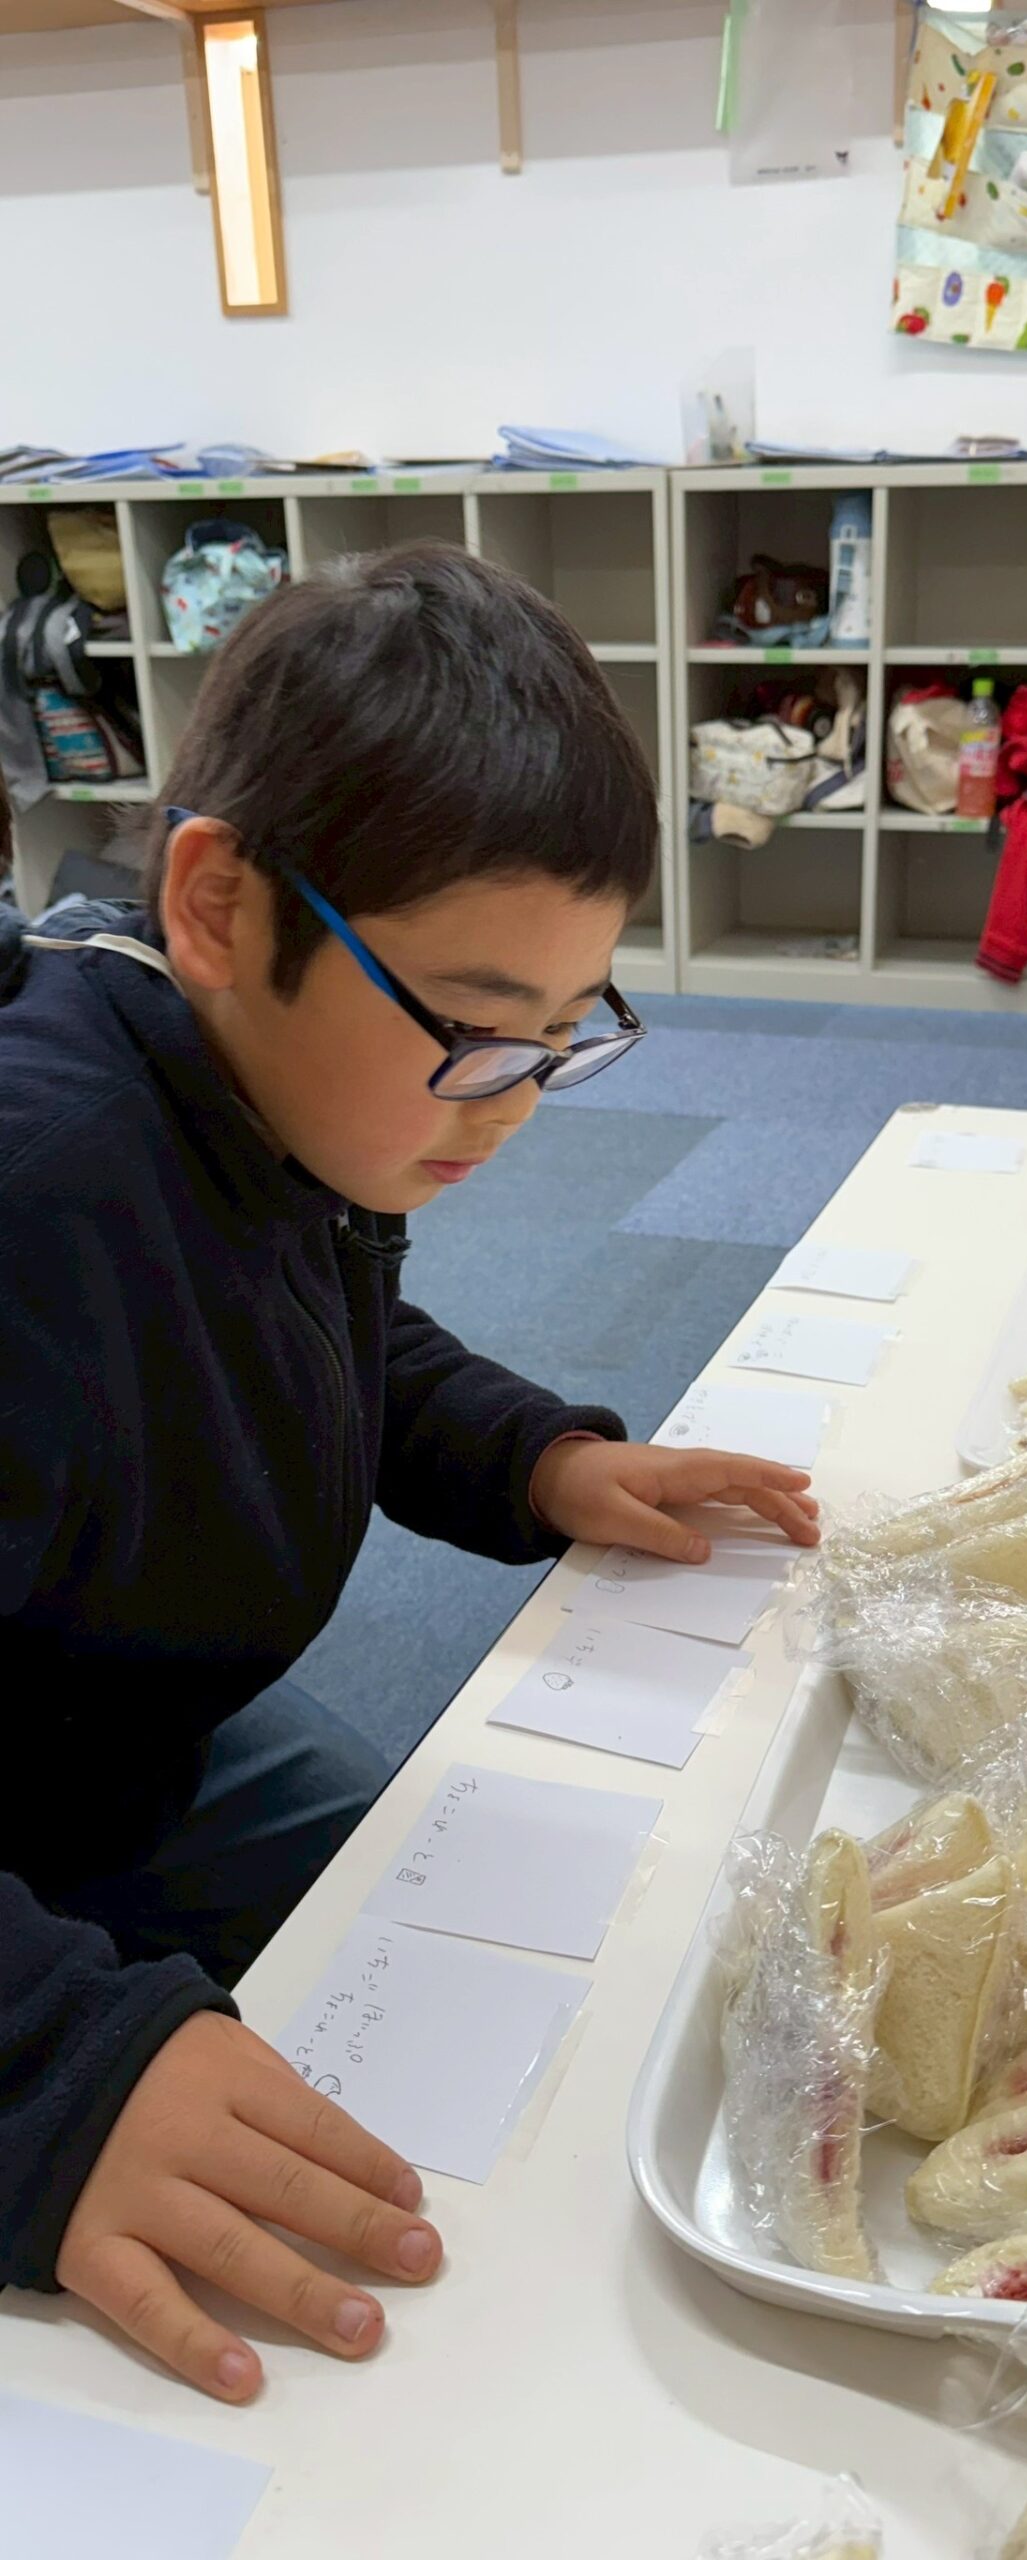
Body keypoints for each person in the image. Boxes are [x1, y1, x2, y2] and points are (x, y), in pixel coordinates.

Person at [0, 545, 820, 2403]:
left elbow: (333, 1334)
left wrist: (533, 1457)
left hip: (128, 1722)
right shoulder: (39, 1201)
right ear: (219, 903)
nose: (516, 1103)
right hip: (44, 1814)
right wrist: (56, 2073)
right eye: (474, 1027)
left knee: (522, 1948)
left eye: (565, 1036)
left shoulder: (265, 1104)